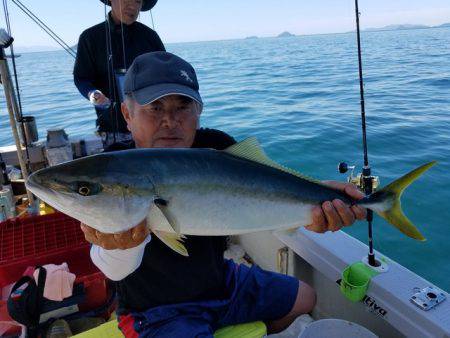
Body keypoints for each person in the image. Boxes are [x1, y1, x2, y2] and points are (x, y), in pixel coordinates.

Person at [80, 51, 366, 337]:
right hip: (156, 311)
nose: (170, 120)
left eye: (183, 106)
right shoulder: (113, 171)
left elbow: (268, 193)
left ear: (198, 111)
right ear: (127, 115)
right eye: (155, 108)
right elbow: (114, 272)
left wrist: (317, 201)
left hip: (223, 283)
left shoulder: (217, 149)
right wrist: (123, 244)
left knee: (304, 298)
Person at [73, 0, 165, 147]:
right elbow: (81, 78)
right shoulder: (90, 37)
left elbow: (165, 76)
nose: (133, 6)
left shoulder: (150, 37)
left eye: (138, 1)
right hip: (111, 129)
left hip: (151, 127)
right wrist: (92, 94)